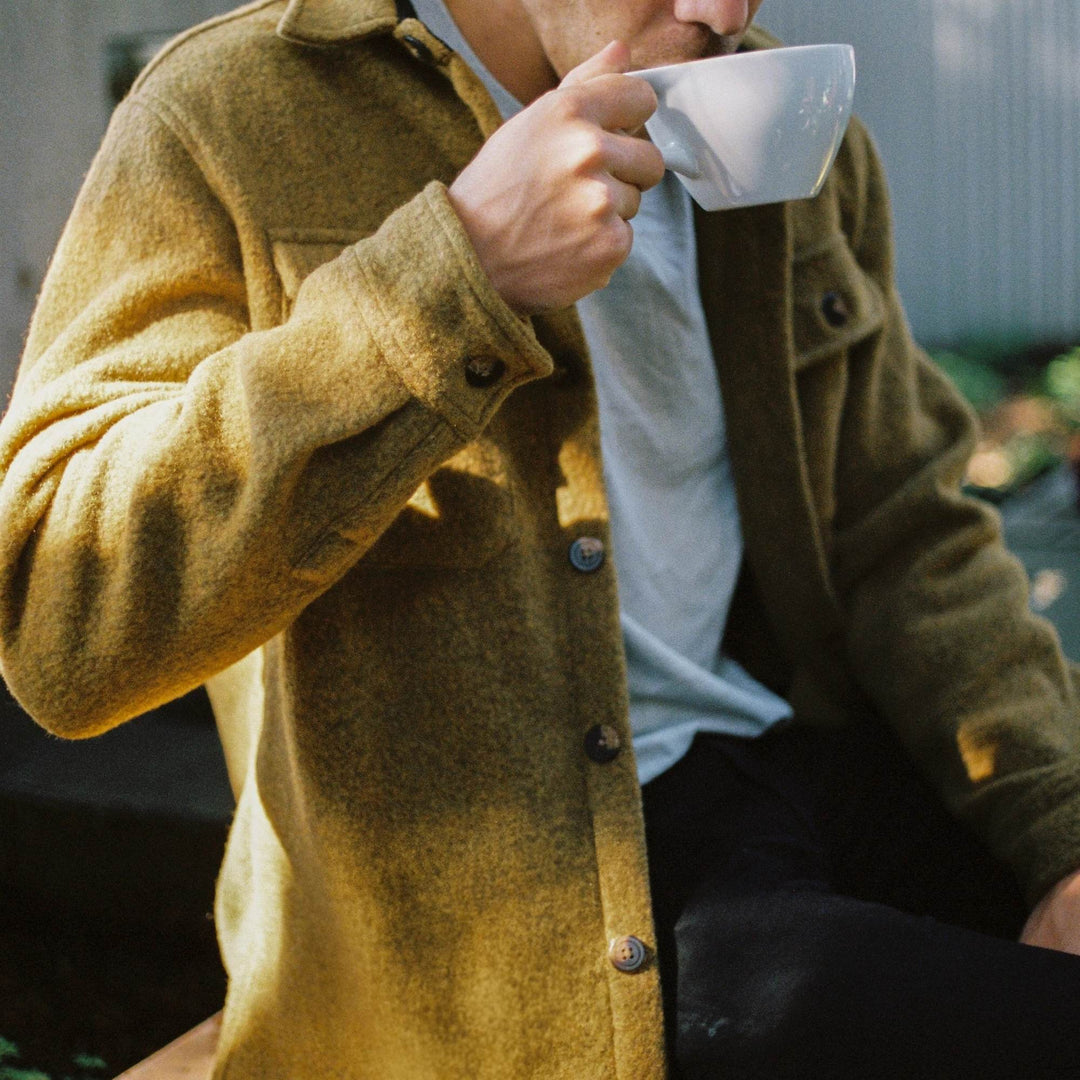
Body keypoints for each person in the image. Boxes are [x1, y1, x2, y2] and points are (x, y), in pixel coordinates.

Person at [1, 0, 1078, 1075]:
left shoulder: (776, 109)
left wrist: (1062, 827)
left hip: (796, 747)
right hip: (522, 913)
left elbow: (906, 531)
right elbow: (60, 629)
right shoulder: (232, 113)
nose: (726, 11)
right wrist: (457, 273)